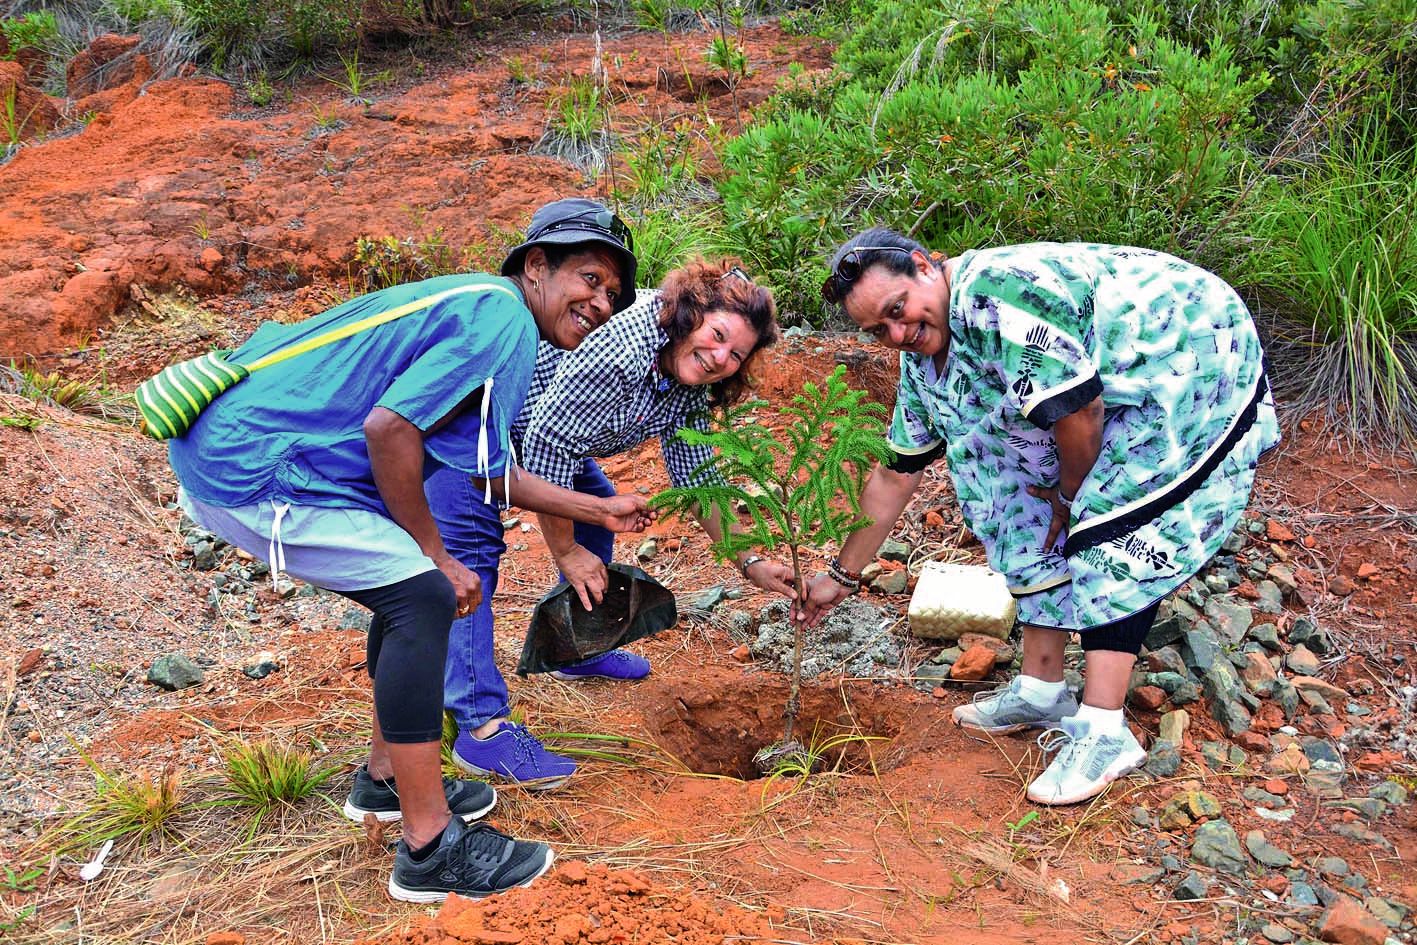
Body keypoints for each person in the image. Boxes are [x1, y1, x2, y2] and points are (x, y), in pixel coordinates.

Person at [168, 198, 650, 900]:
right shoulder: (503, 321)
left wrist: (596, 506)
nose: (600, 301)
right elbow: (389, 430)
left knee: (403, 593)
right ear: (537, 266)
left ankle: (386, 778)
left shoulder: (487, 308)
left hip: (230, 450)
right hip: (255, 466)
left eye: (612, 292)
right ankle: (429, 848)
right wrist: (435, 553)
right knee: (423, 593)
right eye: (589, 277)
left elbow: (480, 465)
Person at [798, 228, 1279, 805]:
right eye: (880, 329)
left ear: (926, 266)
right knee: (1001, 486)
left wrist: (1072, 500)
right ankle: (1042, 686)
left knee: (1106, 522)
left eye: (898, 310)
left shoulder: (1004, 295)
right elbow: (898, 471)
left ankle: (1103, 730)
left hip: (1188, 356)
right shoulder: (924, 358)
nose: (898, 333)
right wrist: (839, 577)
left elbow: (1081, 411)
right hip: (1099, 392)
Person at [428, 256, 793, 788]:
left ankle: (575, 646)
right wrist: (566, 553)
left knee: (596, 520)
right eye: (716, 335)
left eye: (735, 354)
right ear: (689, 314)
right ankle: (479, 729)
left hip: (547, 439)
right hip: (471, 434)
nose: (719, 357)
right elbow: (547, 447)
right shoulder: (622, 353)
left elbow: (696, 478)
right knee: (472, 564)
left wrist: (751, 560)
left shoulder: (687, 376)